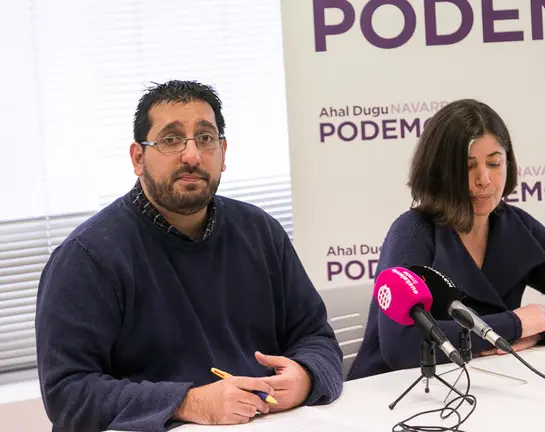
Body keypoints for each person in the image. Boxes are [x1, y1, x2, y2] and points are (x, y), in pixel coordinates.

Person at [35, 80, 343, 432]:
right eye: (171, 140)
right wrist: (188, 402)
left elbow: (316, 337)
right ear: (138, 157)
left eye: (206, 138)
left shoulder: (260, 232)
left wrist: (306, 375)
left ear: (223, 152)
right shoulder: (87, 257)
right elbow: (68, 394)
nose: (193, 156)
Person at [347, 99, 545, 380]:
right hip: (391, 394)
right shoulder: (412, 232)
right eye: (468, 167)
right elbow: (401, 346)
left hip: (480, 383)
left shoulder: (516, 225)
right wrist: (513, 325)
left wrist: (540, 332)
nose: (484, 180)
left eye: (494, 163)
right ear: (440, 171)